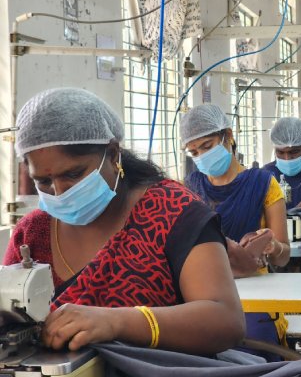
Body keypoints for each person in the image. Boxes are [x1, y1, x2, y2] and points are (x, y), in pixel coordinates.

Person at [3, 88, 245, 355]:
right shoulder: (31, 233)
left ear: (113, 154)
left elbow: (226, 320)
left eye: (73, 174)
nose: (59, 192)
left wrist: (116, 322)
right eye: (43, 181)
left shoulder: (173, 211)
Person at [180, 103, 289, 361]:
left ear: (228, 136)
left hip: (255, 296)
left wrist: (273, 247)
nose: (201, 156)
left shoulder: (264, 183)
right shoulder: (188, 188)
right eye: (194, 152)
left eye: (207, 146)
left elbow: (284, 256)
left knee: (253, 349)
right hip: (203, 293)